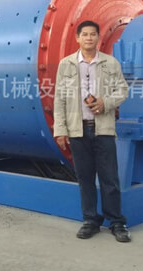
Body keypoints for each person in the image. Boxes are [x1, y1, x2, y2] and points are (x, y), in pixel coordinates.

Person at [53, 20, 131, 242]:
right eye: (85, 34)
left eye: (93, 34)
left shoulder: (110, 63)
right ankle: (90, 220)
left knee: (109, 179)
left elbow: (123, 90)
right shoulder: (66, 65)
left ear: (98, 38)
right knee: (85, 179)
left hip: (103, 129)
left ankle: (116, 222)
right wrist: (60, 130)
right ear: (77, 38)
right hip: (78, 131)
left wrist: (105, 103)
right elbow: (59, 99)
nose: (89, 38)